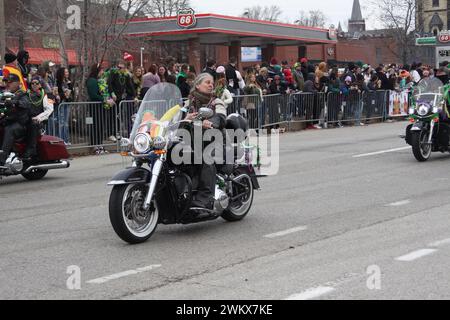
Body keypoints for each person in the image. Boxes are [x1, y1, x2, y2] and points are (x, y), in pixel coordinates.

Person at [182, 73, 227, 211]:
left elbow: (220, 118)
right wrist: (185, 117)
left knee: (207, 158)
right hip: (192, 140)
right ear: (197, 85)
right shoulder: (188, 103)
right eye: (207, 82)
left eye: (211, 82)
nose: (211, 85)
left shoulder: (216, 102)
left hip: (214, 141)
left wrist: (210, 122)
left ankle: (205, 198)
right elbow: (176, 116)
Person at [0, 74, 31, 166]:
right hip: (7, 121)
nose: (7, 84)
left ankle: (1, 160)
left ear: (17, 83)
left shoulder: (22, 94)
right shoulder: (4, 94)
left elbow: (26, 104)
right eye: (6, 82)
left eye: (10, 82)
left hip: (20, 124)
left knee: (9, 130)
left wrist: (15, 102)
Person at [22, 76, 54, 161]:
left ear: (40, 84)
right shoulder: (27, 94)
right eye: (32, 83)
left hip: (39, 120)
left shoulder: (48, 95)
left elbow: (50, 110)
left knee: (33, 125)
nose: (34, 85)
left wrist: (38, 118)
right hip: (26, 118)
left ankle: (31, 150)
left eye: (36, 83)